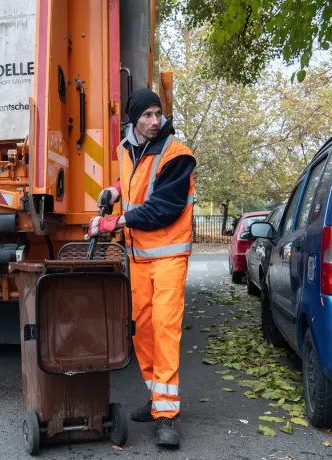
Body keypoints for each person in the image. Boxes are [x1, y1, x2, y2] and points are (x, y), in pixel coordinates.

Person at [87, 88, 196, 447]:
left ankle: (166, 416)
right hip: (138, 258)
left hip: (167, 257)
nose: (154, 121)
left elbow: (162, 208)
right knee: (142, 331)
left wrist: (115, 223)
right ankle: (156, 398)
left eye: (158, 114)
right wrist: (115, 190)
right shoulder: (125, 148)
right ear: (134, 119)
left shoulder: (177, 155)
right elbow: (135, 181)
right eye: (146, 115)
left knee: (165, 330)